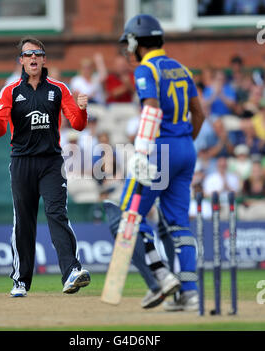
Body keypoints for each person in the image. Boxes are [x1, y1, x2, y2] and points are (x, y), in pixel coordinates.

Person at [0, 36, 91, 297]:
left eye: (38, 54)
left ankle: (71, 273)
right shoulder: (11, 91)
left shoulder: (58, 88)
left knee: (57, 214)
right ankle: (20, 281)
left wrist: (82, 109)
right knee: (24, 222)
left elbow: (77, 124)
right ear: (21, 61)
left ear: (44, 59)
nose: (33, 58)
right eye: (28, 54)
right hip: (21, 162)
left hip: (52, 162)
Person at [116, 14, 205, 312]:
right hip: (185, 148)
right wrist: (183, 143)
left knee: (128, 216)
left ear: (135, 42)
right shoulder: (182, 69)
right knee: (180, 224)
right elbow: (200, 113)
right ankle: (189, 293)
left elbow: (151, 109)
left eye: (128, 43)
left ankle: (162, 276)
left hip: (158, 150)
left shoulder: (146, 69)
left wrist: (143, 151)